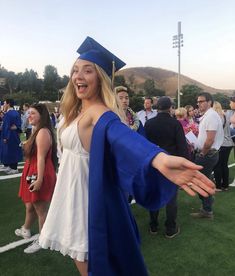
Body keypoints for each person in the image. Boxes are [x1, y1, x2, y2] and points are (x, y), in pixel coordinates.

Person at [39, 36, 215, 276]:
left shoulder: (100, 113)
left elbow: (123, 137)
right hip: (70, 187)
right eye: (75, 70)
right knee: (78, 256)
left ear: (100, 78)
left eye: (87, 71)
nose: (78, 76)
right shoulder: (78, 111)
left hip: (86, 193)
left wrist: (158, 158)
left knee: (92, 264)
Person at [145, 96, 189, 238]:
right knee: (171, 198)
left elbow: (144, 146)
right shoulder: (175, 124)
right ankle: (170, 228)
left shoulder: (149, 123)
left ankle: (153, 225)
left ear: (157, 107)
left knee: (155, 195)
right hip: (171, 166)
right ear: (170, 108)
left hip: (154, 164)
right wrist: (184, 166)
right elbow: (183, 148)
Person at [16, 103, 57, 254]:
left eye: (32, 113)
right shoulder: (37, 130)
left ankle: (43, 240)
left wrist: (39, 179)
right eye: (28, 113)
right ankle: (26, 229)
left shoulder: (42, 132)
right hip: (32, 171)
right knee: (30, 205)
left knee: (41, 209)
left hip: (39, 172)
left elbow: (41, 158)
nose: (29, 116)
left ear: (42, 115)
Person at [191, 92, 223, 219]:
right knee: (205, 180)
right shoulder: (208, 115)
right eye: (197, 101)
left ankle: (207, 209)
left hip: (207, 154)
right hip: (208, 154)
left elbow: (209, 140)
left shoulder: (211, 116)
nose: (198, 104)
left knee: (200, 182)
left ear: (209, 102)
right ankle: (208, 202)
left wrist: (203, 153)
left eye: (201, 101)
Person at [212, 101, 233, 191]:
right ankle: (225, 185)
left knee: (217, 165)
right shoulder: (225, 116)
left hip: (221, 143)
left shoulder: (216, 117)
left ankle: (218, 186)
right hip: (228, 142)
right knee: (224, 165)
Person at [0, 99, 22, 174]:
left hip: (10, 135)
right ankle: (11, 166)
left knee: (11, 151)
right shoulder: (15, 113)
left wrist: (5, 137)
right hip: (13, 134)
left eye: (5, 103)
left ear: (8, 104)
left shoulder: (9, 114)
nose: (4, 105)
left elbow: (7, 126)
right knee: (11, 150)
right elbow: (18, 125)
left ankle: (14, 168)